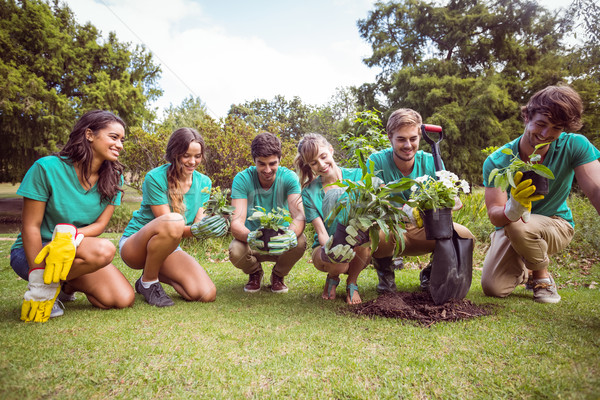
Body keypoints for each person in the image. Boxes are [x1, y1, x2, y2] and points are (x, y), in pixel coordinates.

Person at [11, 110, 135, 322]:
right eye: (113, 137)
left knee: (122, 298)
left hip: (74, 249)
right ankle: (46, 286)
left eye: (122, 140)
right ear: (89, 135)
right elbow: (31, 225)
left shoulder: (114, 177)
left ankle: (65, 285)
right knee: (104, 249)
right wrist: (38, 276)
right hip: (36, 252)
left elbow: (100, 225)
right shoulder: (46, 168)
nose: (120, 145)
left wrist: (68, 236)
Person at [482, 85, 600, 303]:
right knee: (493, 287)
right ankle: (526, 264)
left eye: (556, 128)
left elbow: (595, 188)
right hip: (512, 225)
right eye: (541, 124)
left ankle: (541, 277)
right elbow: (494, 215)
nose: (546, 134)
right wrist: (513, 207)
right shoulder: (498, 161)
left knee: (518, 225)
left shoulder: (574, 145)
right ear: (526, 117)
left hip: (555, 225)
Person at [368, 108, 474, 293]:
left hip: (424, 229)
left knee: (464, 235)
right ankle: (386, 276)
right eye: (401, 139)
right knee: (380, 233)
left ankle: (431, 274)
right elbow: (369, 200)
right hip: (391, 230)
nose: (408, 145)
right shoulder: (376, 161)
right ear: (390, 137)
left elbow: (449, 198)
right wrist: (402, 209)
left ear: (419, 136)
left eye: (413, 138)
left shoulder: (432, 161)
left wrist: (451, 200)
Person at [120, 128, 218, 307]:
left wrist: (212, 226)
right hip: (135, 245)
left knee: (205, 293)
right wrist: (197, 230)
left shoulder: (204, 182)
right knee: (174, 221)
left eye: (198, 156)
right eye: (186, 155)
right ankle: (149, 282)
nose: (192, 161)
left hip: (169, 248)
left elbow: (198, 223)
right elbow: (171, 226)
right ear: (174, 154)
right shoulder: (155, 178)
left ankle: (147, 277)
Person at [295, 133, 371, 304]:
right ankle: (333, 276)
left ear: (331, 150)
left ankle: (352, 283)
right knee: (339, 263)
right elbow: (321, 231)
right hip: (326, 245)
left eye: (323, 156)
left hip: (356, 243)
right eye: (314, 162)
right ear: (309, 165)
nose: (321, 165)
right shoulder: (309, 192)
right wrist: (333, 251)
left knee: (365, 242)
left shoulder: (358, 176)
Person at [229, 132, 306, 293]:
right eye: (261, 164)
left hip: (280, 242)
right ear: (254, 161)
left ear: (280, 160)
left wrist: (289, 235)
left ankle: (278, 275)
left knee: (300, 241)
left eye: (272, 163)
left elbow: (299, 215)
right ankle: (255, 272)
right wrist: (251, 236)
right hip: (253, 242)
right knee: (235, 250)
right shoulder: (242, 179)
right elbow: (236, 222)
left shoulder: (289, 178)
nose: (267, 169)